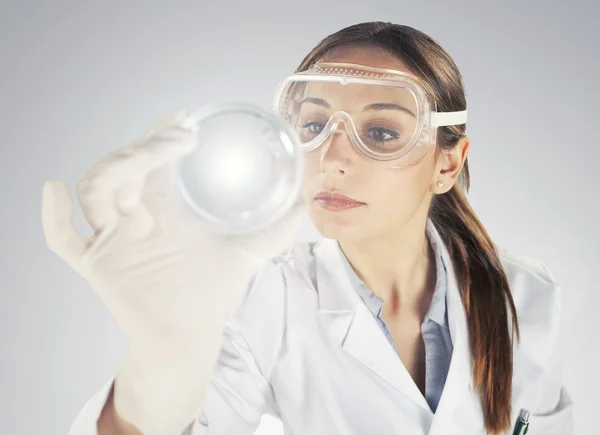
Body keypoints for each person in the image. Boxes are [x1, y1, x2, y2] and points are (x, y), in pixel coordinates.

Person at [42, 22, 574, 435]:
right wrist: (162, 353)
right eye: (314, 125)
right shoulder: (261, 297)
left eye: (382, 132)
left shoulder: (524, 293)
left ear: (448, 165)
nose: (333, 158)